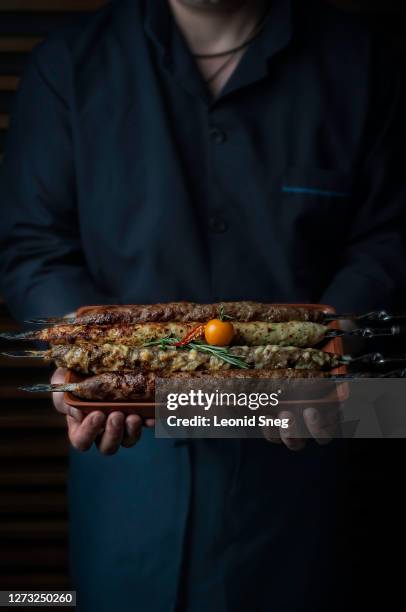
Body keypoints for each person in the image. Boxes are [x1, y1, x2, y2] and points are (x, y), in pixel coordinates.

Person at [1, 0, 405, 610]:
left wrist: (328, 346)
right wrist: (82, 359)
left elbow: (392, 238)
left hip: (314, 476)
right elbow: (33, 246)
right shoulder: (68, 63)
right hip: (129, 476)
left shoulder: (369, 59)